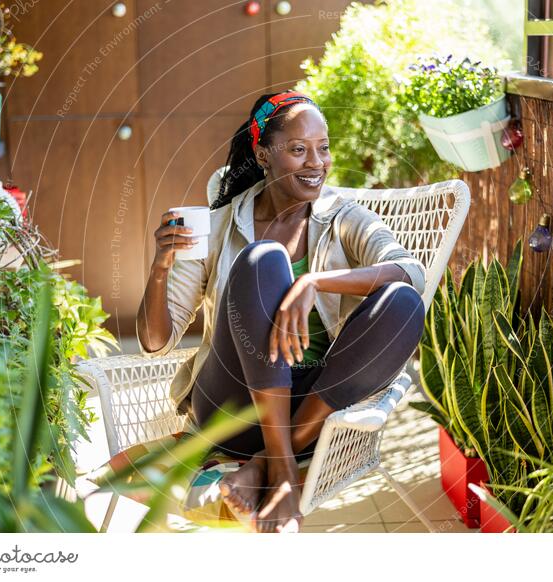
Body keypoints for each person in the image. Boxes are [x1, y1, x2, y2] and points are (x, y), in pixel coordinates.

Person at [137, 91, 426, 533]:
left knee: (403, 301)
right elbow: (156, 342)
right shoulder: (216, 227)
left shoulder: (342, 217)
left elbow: (411, 271)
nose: (317, 162)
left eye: (323, 148)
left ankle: (267, 462)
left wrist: (315, 281)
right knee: (262, 260)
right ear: (263, 155)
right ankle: (285, 473)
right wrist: (160, 268)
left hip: (311, 406)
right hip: (233, 407)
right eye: (298, 149)